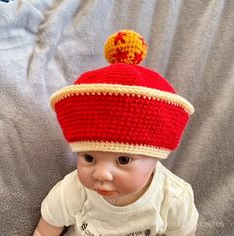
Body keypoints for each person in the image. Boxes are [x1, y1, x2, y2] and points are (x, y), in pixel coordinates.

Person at [33, 30, 199, 236]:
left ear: (156, 157)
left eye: (123, 159)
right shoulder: (73, 191)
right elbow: (47, 227)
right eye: (89, 157)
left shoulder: (173, 198)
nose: (101, 173)